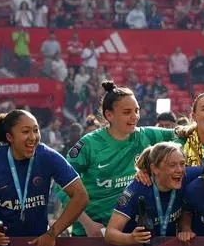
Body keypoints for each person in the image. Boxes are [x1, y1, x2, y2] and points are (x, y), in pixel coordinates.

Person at [67, 82, 185, 237]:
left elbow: (183, 135)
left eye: (137, 110)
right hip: (91, 232)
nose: (135, 116)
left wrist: (149, 165)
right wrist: (87, 223)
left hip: (128, 232)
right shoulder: (89, 145)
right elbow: (62, 185)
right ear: (109, 115)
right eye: (127, 112)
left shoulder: (145, 135)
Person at [0, 110, 89, 246]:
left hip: (39, 245)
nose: (33, 137)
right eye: (26, 132)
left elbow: (81, 196)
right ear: (9, 137)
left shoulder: (47, 156)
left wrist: (52, 234)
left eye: (36, 130)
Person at [106, 141, 189, 246]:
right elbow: (110, 234)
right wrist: (131, 238)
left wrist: (186, 227)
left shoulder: (185, 177)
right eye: (172, 165)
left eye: (182, 163)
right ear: (154, 168)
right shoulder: (137, 189)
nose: (180, 170)